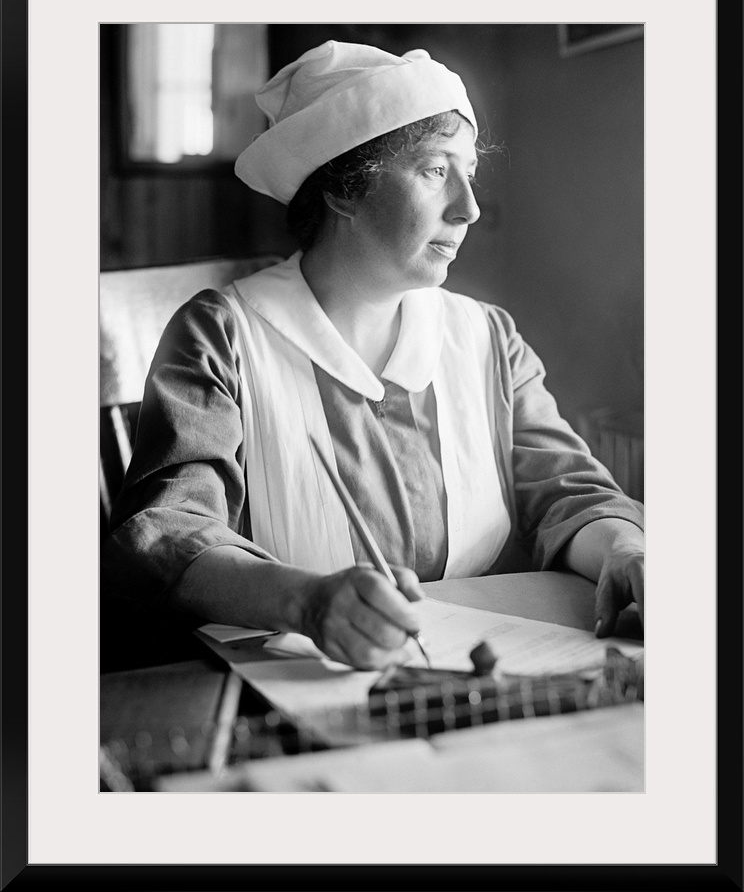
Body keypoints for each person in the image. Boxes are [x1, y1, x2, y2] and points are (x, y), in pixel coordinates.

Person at [103, 40, 644, 672]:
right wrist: (307, 603)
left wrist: (623, 550)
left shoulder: (487, 339)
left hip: (486, 679)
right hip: (292, 682)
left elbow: (569, 492)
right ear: (344, 188)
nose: (469, 208)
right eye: (435, 170)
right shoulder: (223, 336)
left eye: (469, 172)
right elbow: (170, 531)